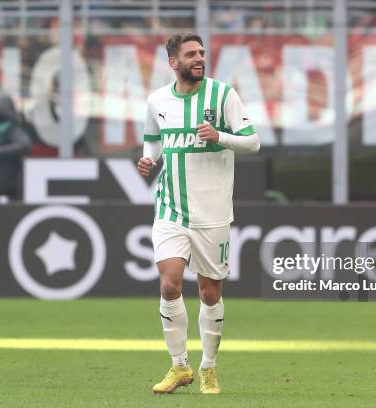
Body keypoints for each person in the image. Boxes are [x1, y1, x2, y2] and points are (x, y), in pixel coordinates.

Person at [137, 33, 260, 395]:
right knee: (169, 283)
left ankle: (208, 367)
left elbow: (252, 141)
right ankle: (179, 366)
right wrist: (150, 158)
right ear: (173, 62)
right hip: (170, 207)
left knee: (209, 293)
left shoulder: (223, 95)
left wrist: (219, 137)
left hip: (213, 212)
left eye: (202, 53)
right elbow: (153, 138)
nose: (199, 58)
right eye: (191, 54)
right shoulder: (157, 99)